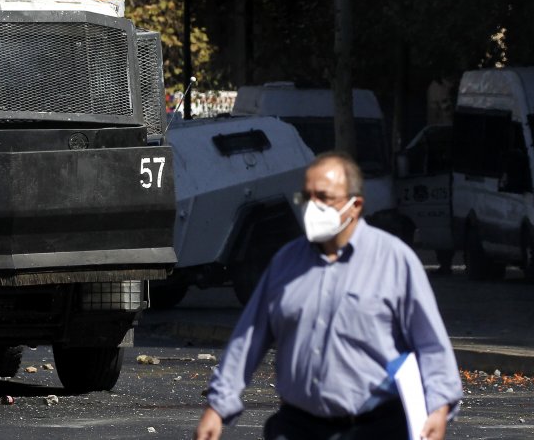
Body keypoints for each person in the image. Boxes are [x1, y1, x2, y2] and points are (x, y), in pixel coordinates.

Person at [195, 151, 463, 440]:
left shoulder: (394, 261)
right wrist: (217, 408)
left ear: (355, 205)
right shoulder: (286, 262)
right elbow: (249, 337)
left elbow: (431, 344)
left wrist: (438, 407)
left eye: (324, 197)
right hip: (298, 426)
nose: (313, 207)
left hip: (373, 427)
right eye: (307, 197)